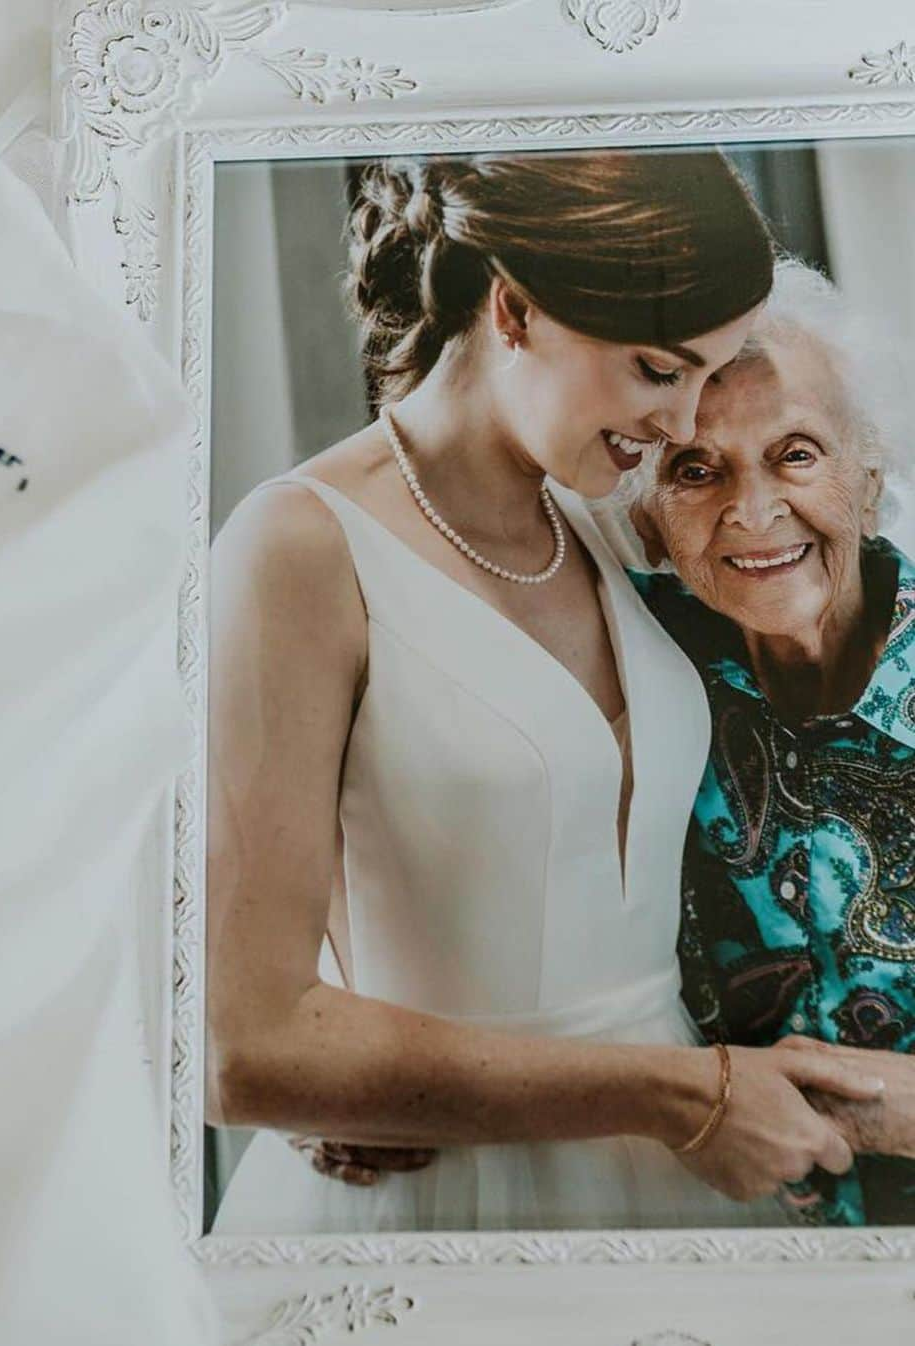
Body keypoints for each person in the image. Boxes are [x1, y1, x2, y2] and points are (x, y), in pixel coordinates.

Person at [206, 152, 885, 1236]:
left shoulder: (609, 522)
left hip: (687, 1186)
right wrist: (676, 1092)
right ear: (515, 309)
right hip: (440, 1195)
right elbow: (243, 1043)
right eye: (661, 369)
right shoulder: (297, 546)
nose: (681, 427)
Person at [628, 260, 915, 1226]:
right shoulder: (623, 669)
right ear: (651, 522)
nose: (751, 511)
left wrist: (861, 1113)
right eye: (696, 470)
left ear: (869, 481)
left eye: (796, 453)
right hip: (722, 1248)